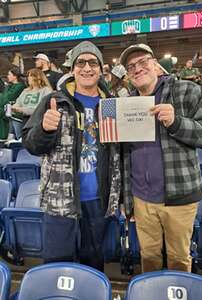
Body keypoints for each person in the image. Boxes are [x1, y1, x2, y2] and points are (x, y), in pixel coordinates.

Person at [119, 43, 202, 273]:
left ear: (155, 64)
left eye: (143, 62)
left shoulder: (187, 90)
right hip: (141, 199)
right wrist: (126, 197)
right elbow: (125, 154)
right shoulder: (125, 104)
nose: (137, 68)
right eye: (131, 66)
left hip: (179, 196)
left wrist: (177, 122)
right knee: (149, 257)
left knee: (179, 258)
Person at [22, 41, 120, 271]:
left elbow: (120, 152)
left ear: (101, 68)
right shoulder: (55, 100)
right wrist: (44, 130)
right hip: (60, 200)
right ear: (72, 69)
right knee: (56, 266)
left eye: (93, 62)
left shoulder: (112, 104)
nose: (87, 67)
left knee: (93, 266)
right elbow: (31, 143)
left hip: (98, 200)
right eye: (81, 62)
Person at [11, 68, 52, 139]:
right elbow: (18, 103)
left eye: (30, 76)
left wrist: (22, 110)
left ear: (37, 77)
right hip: (24, 121)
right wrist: (13, 108)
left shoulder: (46, 90)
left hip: (38, 122)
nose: (28, 78)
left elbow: (42, 108)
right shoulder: (25, 91)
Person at [0, 67, 26, 145]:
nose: (7, 76)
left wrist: (2, 96)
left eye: (9, 74)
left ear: (15, 76)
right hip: (9, 115)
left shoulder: (20, 86)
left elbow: (7, 97)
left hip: (17, 116)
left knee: (19, 137)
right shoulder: (8, 86)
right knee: (10, 139)